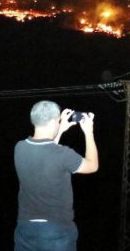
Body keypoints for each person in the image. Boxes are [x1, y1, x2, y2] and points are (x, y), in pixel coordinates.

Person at [13, 101, 99, 251]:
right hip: (56, 230)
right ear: (54, 121)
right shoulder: (63, 154)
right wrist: (88, 132)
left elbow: (45, 151)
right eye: (58, 120)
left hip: (25, 229)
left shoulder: (20, 148)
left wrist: (60, 131)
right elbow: (92, 165)